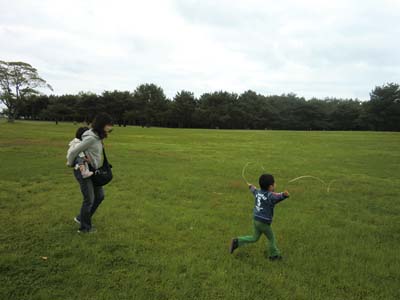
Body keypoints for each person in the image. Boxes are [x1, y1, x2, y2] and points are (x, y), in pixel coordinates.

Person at [66, 113, 113, 233]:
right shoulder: (91, 138)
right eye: (108, 125)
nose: (110, 127)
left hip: (94, 171)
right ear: (102, 125)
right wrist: (71, 164)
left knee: (100, 196)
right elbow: (73, 152)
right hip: (83, 171)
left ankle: (81, 218)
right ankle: (85, 228)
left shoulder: (98, 137)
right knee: (89, 199)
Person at [230, 174, 290, 260]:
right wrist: (284, 195)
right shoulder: (270, 196)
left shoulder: (258, 192)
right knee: (271, 239)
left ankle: (237, 241)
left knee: (254, 238)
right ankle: (274, 256)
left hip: (256, 219)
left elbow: (253, 190)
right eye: (274, 183)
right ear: (270, 187)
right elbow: (278, 197)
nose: (275, 184)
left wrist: (250, 186)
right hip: (263, 222)